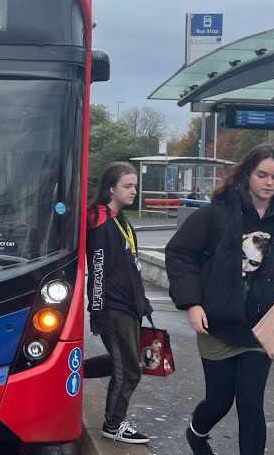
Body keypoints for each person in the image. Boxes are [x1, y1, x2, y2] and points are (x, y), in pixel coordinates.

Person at [165, 144, 274, 455]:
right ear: (246, 174)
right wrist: (192, 303)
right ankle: (197, 432)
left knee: (249, 401)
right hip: (217, 323)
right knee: (219, 401)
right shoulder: (217, 213)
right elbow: (180, 253)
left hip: (263, 328)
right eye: (262, 175)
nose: (269, 182)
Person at [82, 162, 152, 444]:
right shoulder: (100, 222)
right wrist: (97, 312)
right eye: (127, 186)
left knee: (123, 362)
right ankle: (113, 424)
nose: (134, 190)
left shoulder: (118, 218)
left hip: (128, 304)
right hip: (113, 307)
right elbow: (97, 271)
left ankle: (70, 372)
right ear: (111, 188)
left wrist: (142, 302)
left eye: (135, 185)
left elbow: (128, 266)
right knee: (130, 369)